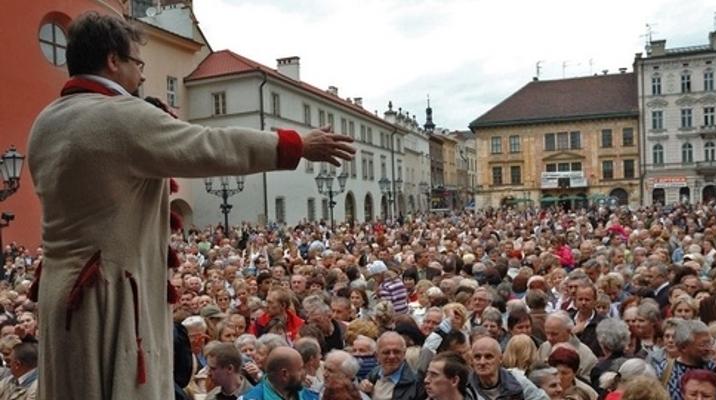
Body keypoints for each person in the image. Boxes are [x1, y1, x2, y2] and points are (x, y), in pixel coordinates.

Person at [27, 12, 355, 400]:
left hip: (62, 294)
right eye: (137, 63)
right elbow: (208, 145)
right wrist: (295, 144)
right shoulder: (118, 115)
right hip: (110, 297)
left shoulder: (46, 121)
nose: (142, 75)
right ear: (113, 60)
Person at [359, 331, 424, 400]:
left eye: (396, 352)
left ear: (404, 354)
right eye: (386, 352)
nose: (392, 356)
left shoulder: (416, 383)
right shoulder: (373, 374)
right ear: (377, 356)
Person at [241, 346, 318, 400]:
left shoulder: (311, 396)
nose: (304, 373)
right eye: (300, 369)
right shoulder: (252, 398)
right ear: (284, 374)